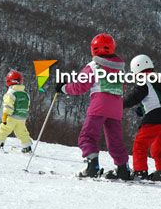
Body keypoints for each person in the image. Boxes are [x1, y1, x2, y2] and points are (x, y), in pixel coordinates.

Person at [55, 33, 130, 180]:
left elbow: (79, 86)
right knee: (115, 140)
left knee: (87, 136)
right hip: (116, 107)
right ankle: (123, 169)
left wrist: (63, 88)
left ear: (93, 49)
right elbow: (123, 88)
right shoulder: (120, 69)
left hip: (99, 106)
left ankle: (92, 166)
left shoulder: (93, 66)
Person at [123, 54, 161, 183]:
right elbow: (155, 97)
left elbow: (135, 97)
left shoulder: (144, 80)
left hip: (155, 117)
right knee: (159, 146)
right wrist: (141, 109)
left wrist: (119, 104)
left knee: (140, 145)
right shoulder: (160, 80)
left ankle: (140, 172)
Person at [0, 70, 33, 153]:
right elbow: (27, 106)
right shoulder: (25, 94)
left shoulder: (11, 93)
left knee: (3, 129)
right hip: (22, 118)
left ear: (10, 81)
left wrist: (5, 116)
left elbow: (8, 105)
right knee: (22, 132)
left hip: (11, 117)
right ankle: (27, 148)